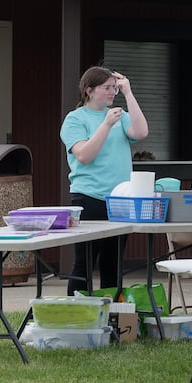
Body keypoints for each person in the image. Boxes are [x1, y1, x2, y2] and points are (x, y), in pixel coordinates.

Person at [62, 66, 149, 293]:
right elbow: (84, 155)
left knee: (113, 264)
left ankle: (112, 317)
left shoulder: (120, 115)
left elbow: (141, 133)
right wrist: (106, 125)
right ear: (89, 90)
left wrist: (128, 93)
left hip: (120, 200)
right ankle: (76, 314)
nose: (112, 92)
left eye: (114, 88)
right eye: (106, 88)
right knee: (84, 263)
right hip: (89, 197)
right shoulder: (75, 119)